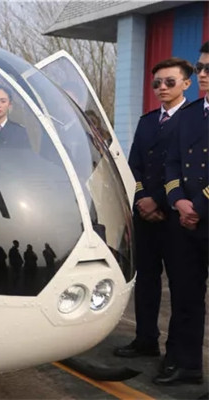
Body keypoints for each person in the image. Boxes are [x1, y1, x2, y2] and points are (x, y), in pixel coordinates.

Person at [114, 57, 193, 360]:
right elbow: (134, 165)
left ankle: (177, 353)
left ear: (186, 83)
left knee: (181, 286)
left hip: (175, 215)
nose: (162, 87)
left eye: (170, 82)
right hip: (145, 216)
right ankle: (145, 340)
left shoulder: (195, 120)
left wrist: (157, 200)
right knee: (146, 280)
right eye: (156, 83)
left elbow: (187, 171)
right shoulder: (147, 121)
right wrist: (142, 199)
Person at [156, 42, 209, 386]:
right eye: (200, 67)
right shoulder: (190, 115)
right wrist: (178, 200)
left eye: (208, 69)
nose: (202, 74)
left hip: (203, 212)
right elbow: (172, 162)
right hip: (187, 221)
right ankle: (189, 365)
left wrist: (198, 205)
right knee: (187, 297)